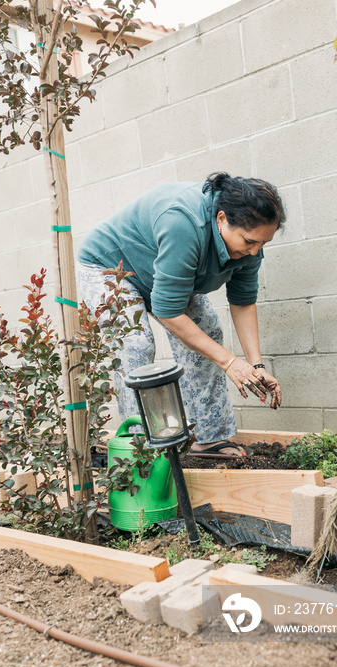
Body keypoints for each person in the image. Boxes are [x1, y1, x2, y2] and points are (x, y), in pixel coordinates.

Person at [76, 172, 285, 458]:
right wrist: (229, 362)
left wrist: (255, 364)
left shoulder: (251, 246)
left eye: (263, 243)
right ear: (221, 219)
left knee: (207, 332)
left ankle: (209, 440)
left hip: (158, 272)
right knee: (135, 342)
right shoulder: (184, 223)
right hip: (108, 267)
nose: (255, 252)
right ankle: (139, 450)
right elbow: (168, 311)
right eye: (249, 242)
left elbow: (243, 301)